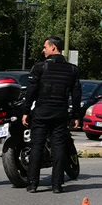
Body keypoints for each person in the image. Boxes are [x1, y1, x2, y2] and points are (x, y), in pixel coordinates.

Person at [22, 36, 81, 194]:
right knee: (59, 147)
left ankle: (32, 184)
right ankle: (57, 185)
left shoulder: (39, 67)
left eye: (45, 47)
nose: (43, 50)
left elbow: (31, 92)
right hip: (60, 112)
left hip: (42, 111)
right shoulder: (72, 70)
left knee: (37, 146)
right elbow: (76, 94)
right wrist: (76, 116)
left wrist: (26, 111)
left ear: (53, 47)